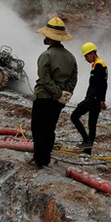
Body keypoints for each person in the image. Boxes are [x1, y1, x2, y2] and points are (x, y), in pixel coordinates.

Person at [30, 17, 78, 168]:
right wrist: (65, 94)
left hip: (44, 98)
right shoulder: (71, 57)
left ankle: (39, 160)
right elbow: (73, 78)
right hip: (58, 102)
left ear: (50, 37)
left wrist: (57, 93)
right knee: (50, 129)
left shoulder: (46, 56)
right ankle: (46, 159)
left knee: (38, 129)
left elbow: (45, 79)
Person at [71, 42, 108, 153]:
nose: (86, 59)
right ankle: (87, 151)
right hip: (96, 99)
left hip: (93, 99)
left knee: (74, 116)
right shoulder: (98, 64)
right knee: (92, 124)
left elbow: (102, 85)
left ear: (92, 53)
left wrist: (101, 100)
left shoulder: (99, 65)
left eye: (86, 56)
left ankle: (86, 141)